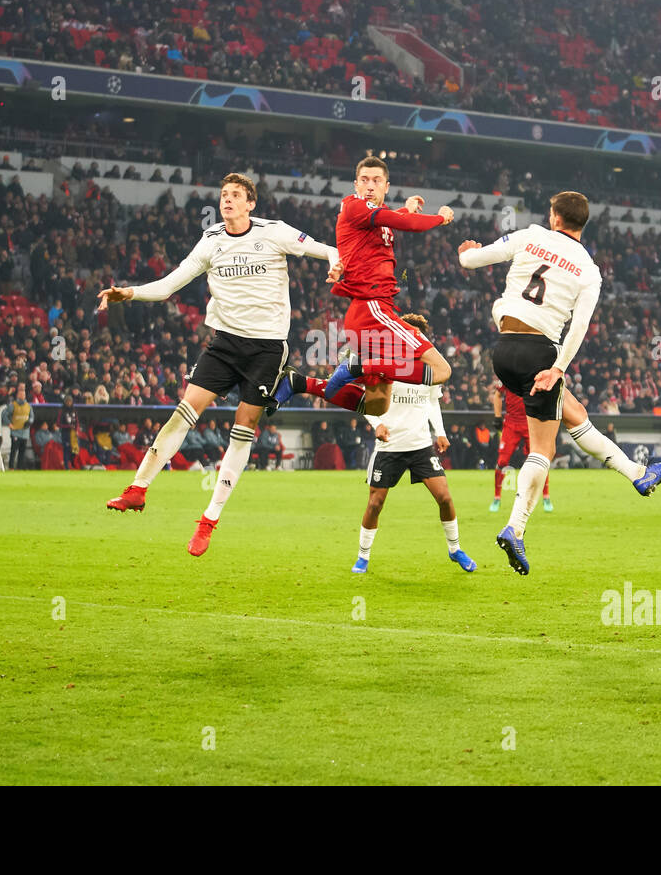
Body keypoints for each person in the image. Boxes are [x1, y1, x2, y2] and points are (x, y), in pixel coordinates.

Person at [96, 173, 338, 556]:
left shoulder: (273, 232)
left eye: (235, 195)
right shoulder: (211, 240)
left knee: (243, 429)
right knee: (183, 412)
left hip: (266, 348)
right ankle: (137, 489)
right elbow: (171, 284)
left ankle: (208, 521)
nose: (227, 200)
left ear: (250, 203)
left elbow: (326, 249)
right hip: (224, 342)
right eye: (223, 194)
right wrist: (130, 293)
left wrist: (336, 264)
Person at [459, 191, 661, 574]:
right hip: (539, 352)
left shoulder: (530, 235)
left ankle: (639, 474)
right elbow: (579, 326)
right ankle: (515, 527)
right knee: (543, 450)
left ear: (555, 217)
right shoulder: (589, 270)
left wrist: (467, 251)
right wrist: (559, 366)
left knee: (575, 412)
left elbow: (471, 260)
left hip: (504, 350)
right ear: (582, 223)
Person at [270, 155, 453, 417]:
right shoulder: (354, 205)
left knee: (377, 406)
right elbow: (406, 224)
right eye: (364, 180)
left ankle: (301, 383)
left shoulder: (374, 217)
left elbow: (394, 219)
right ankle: (359, 366)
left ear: (386, 186)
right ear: (356, 184)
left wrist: (407, 209)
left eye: (376, 181)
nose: (370, 185)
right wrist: (440, 218)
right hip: (372, 310)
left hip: (368, 312)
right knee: (442, 370)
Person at [353, 313, 473, 575]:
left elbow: (432, 401)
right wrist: (377, 425)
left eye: (418, 336)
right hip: (389, 446)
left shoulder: (429, 369)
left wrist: (439, 432)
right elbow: (365, 401)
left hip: (420, 446)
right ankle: (363, 556)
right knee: (375, 504)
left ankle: (455, 550)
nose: (414, 340)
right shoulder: (384, 363)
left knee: (444, 498)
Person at [491, 384, 550, 513]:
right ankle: (497, 498)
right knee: (502, 462)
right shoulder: (508, 373)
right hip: (511, 424)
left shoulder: (533, 373)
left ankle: (546, 497)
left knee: (539, 459)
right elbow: (497, 394)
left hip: (530, 422)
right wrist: (497, 416)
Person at [3, 384, 32, 469]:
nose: (23, 396)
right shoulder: (13, 405)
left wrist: (29, 421)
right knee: (13, 451)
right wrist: (9, 423)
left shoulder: (28, 406)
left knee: (22, 452)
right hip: (15, 432)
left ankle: (19, 467)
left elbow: (32, 416)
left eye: (24, 394)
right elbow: (4, 415)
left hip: (25, 432)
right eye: (21, 394)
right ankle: (11, 467)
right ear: (18, 396)